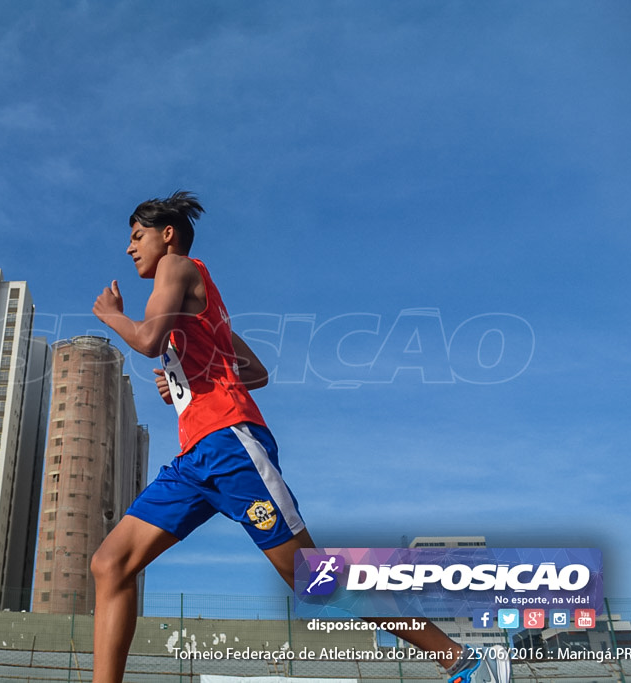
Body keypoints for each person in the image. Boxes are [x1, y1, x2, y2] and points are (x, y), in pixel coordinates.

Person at [91, 191, 510, 683]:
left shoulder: (177, 266)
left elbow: (146, 340)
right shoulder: (196, 302)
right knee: (110, 563)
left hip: (230, 447)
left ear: (167, 235)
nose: (129, 248)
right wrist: (192, 376)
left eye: (136, 236)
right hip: (194, 459)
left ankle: (462, 660)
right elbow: (256, 371)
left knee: (313, 578)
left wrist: (112, 315)